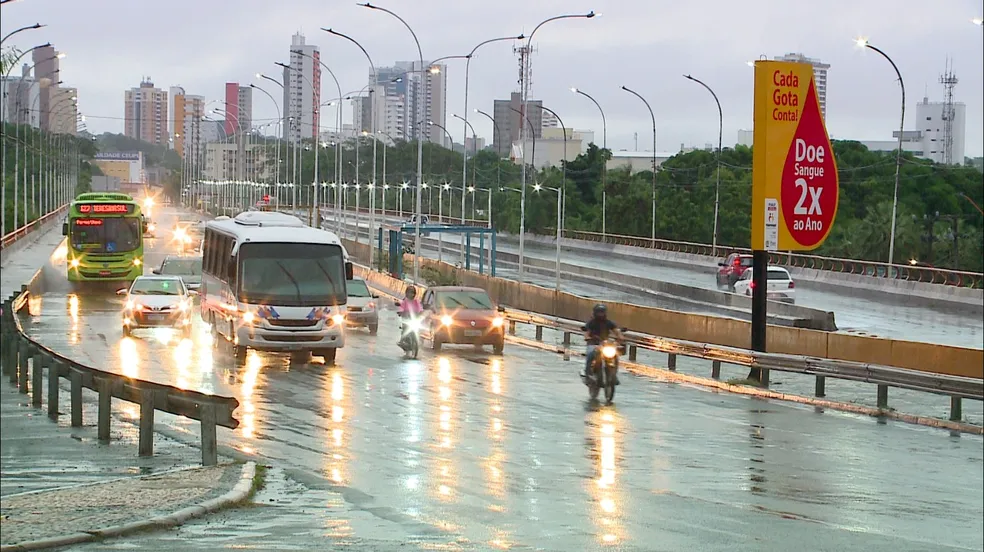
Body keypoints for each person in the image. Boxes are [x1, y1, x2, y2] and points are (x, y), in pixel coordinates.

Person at [581, 303, 623, 379]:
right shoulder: (591, 322)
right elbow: (587, 333)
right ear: (595, 312)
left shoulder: (609, 322)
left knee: (615, 355)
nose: (600, 314)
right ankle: (587, 373)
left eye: (602, 312)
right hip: (593, 344)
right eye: (599, 312)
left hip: (605, 344)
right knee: (590, 355)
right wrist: (587, 337)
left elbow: (616, 331)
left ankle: (614, 375)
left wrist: (620, 336)